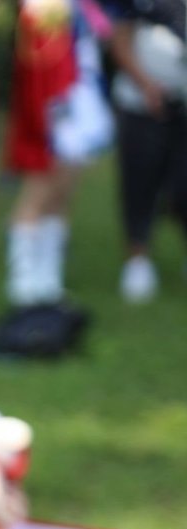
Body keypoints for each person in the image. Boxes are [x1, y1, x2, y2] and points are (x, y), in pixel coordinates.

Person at [1, 0, 114, 309]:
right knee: (38, 195)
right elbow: (41, 65)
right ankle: (23, 287)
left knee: (62, 195)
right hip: (57, 115)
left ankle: (48, 284)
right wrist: (53, 120)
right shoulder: (44, 6)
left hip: (76, 108)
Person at [107, 0, 187, 303]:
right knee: (139, 183)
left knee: (183, 186)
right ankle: (138, 260)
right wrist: (147, 86)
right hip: (140, 106)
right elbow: (120, 40)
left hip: (183, 107)